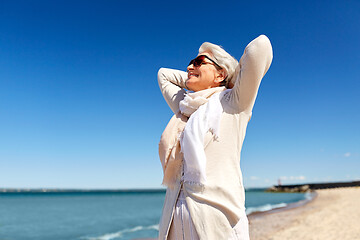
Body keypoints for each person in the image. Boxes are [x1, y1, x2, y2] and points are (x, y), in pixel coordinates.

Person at [157, 35, 273, 240]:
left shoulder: (234, 104)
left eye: (198, 62)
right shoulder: (185, 108)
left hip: (216, 227)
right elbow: (163, 75)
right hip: (173, 226)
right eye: (190, 63)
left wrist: (230, 80)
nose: (189, 66)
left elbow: (261, 47)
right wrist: (195, 76)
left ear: (220, 74)